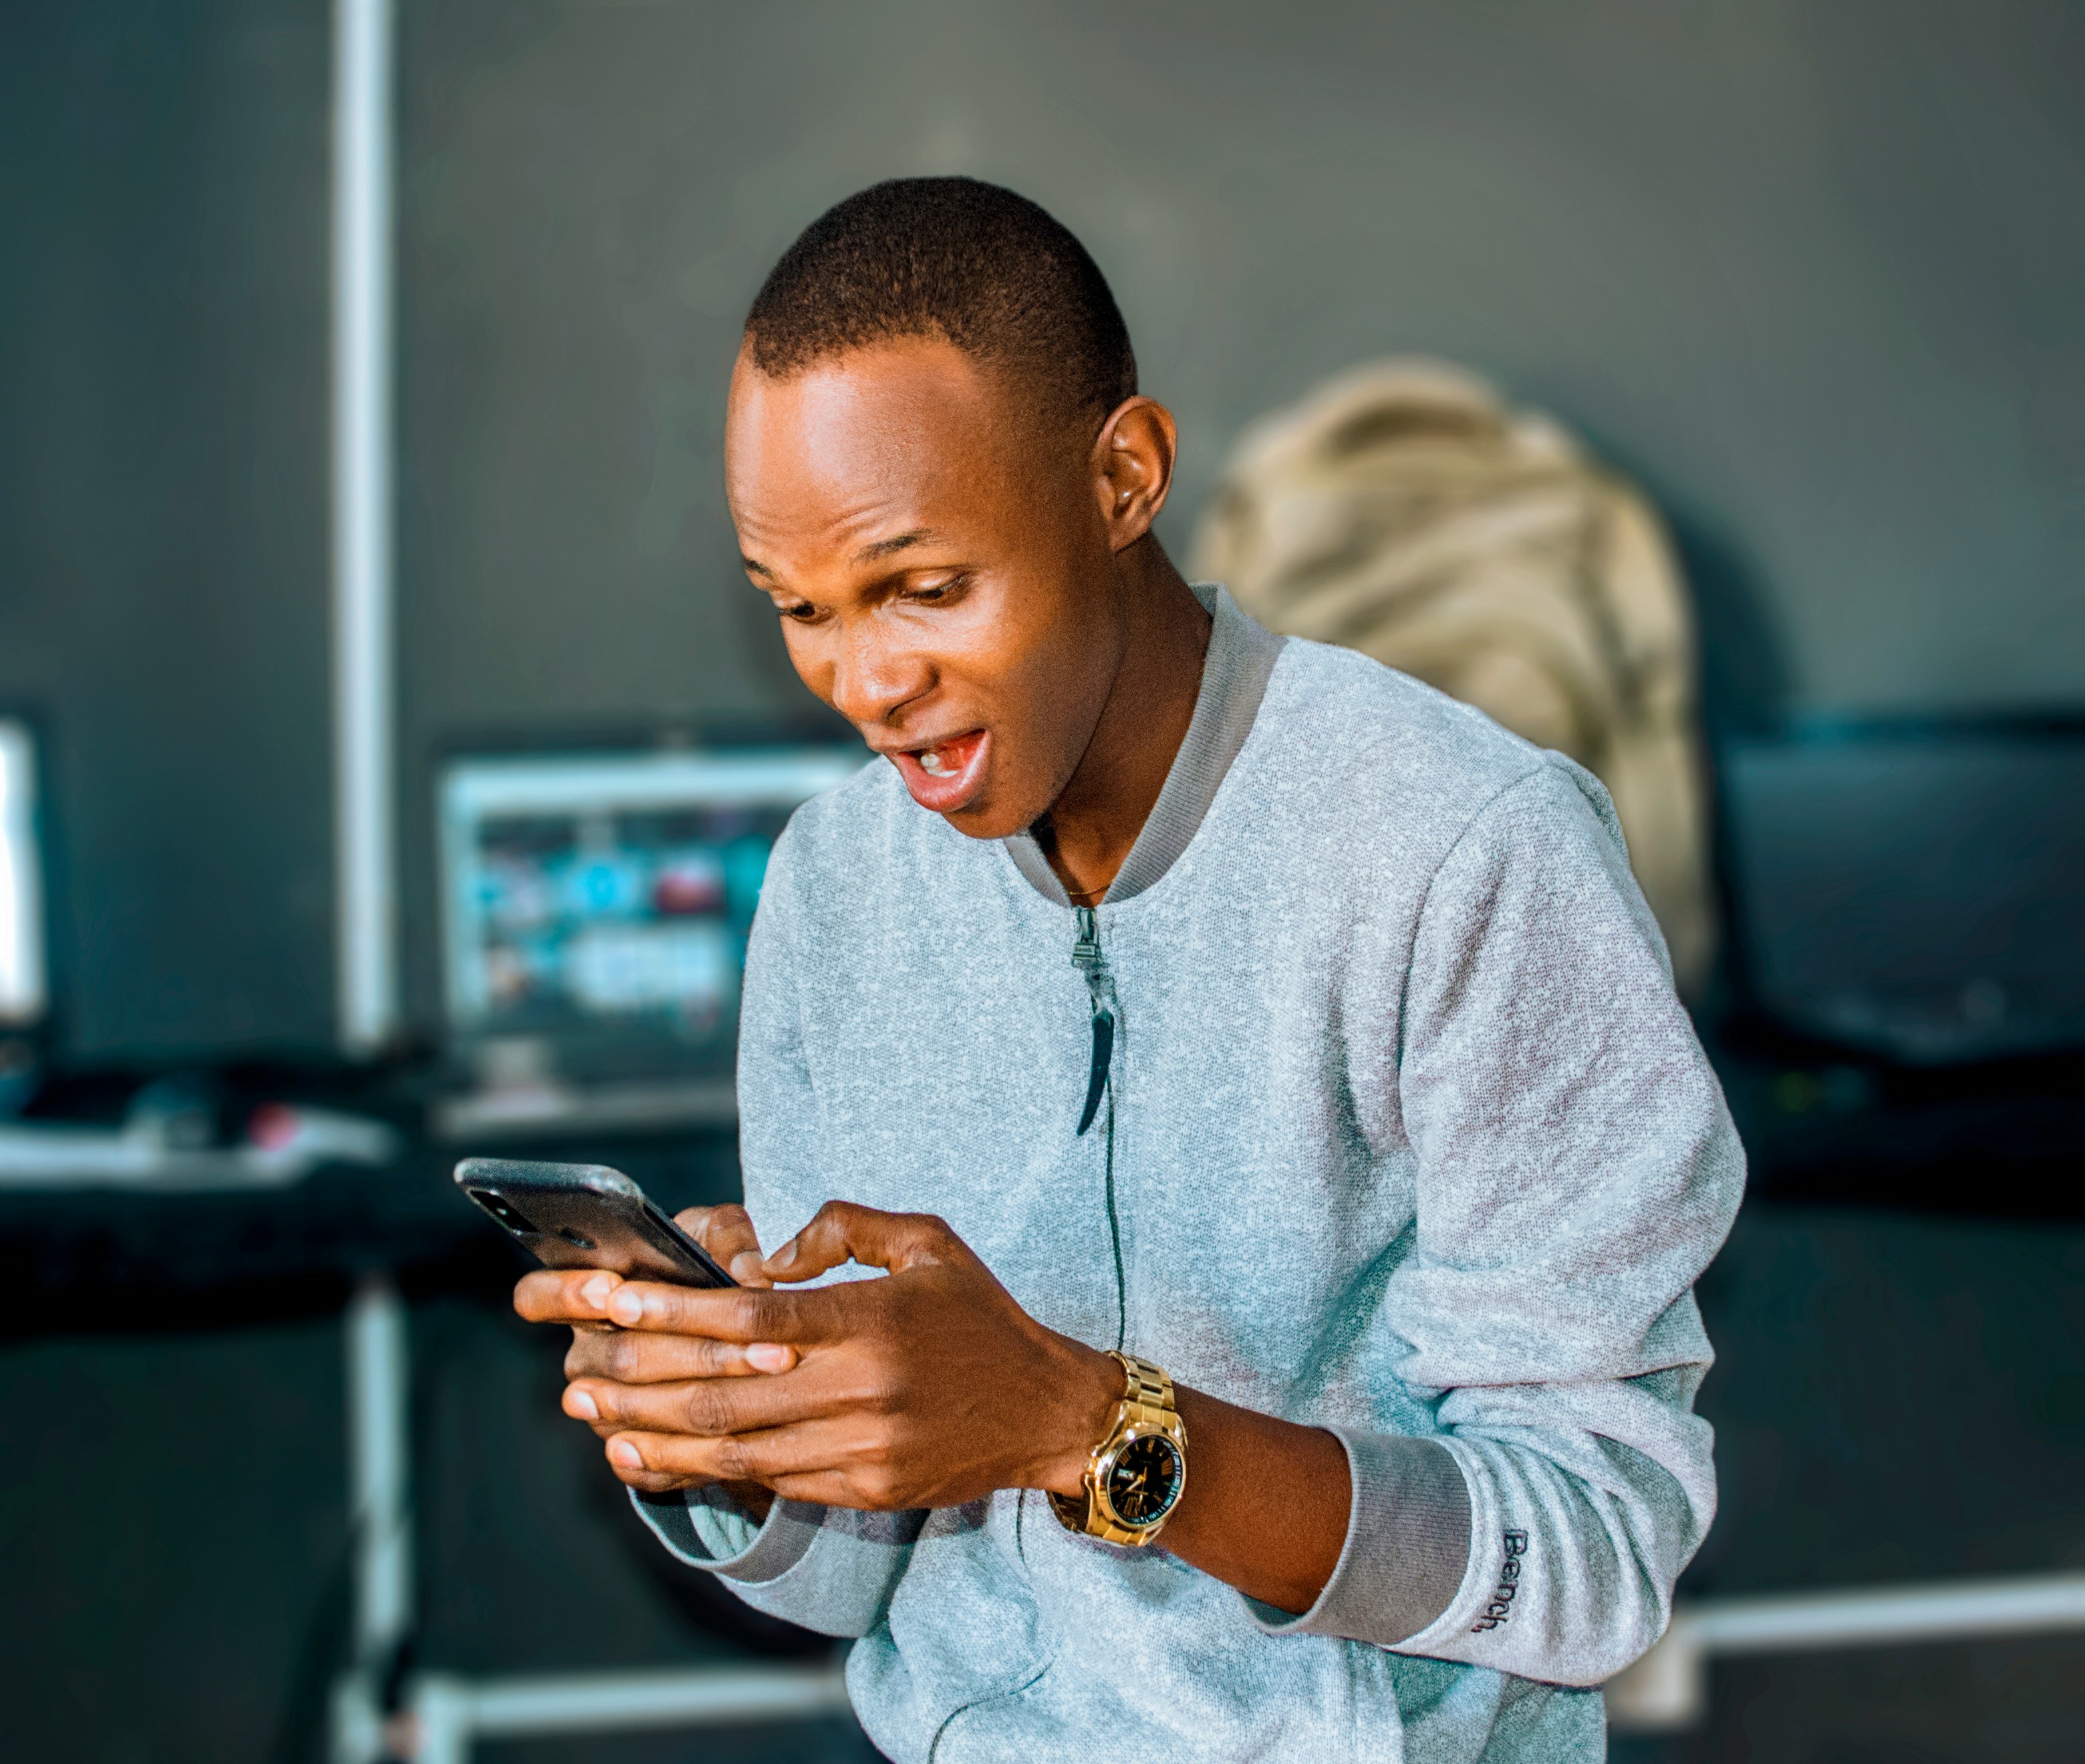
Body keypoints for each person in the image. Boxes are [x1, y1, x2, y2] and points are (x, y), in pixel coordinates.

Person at [516, 177, 1744, 1763]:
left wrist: (1089, 1431)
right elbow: (860, 1579)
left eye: (925, 588)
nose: (867, 682)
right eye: (802, 611)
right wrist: (733, 1432)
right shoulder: (834, 887)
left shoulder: (1467, 851)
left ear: (1123, 478)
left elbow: (1591, 1552)